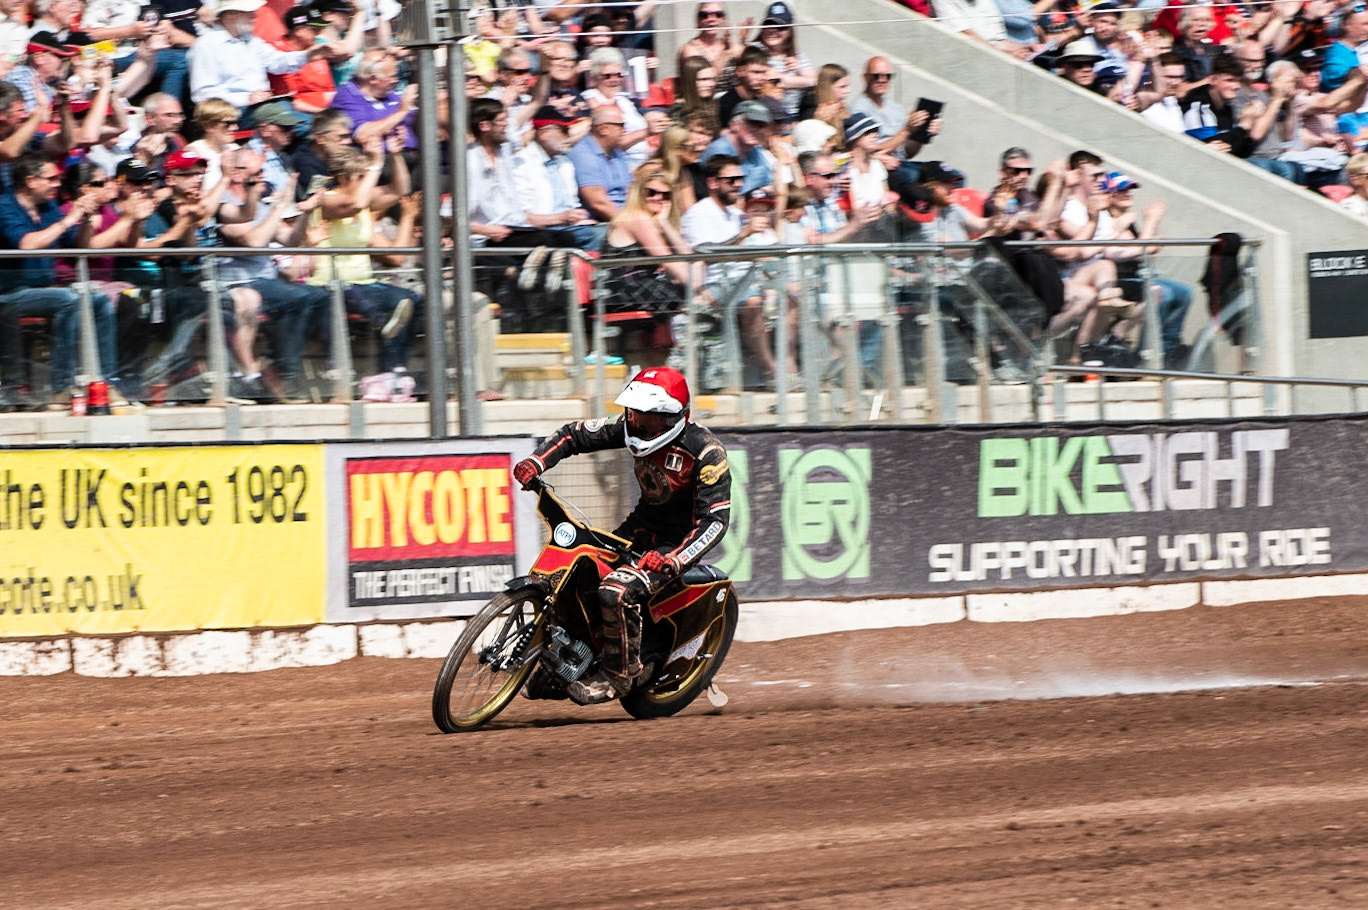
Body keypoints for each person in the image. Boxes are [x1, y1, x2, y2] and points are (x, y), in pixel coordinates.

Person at [511, 366, 731, 705]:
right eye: (634, 413)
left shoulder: (706, 453)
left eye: (649, 419)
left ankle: (618, 677)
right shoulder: (630, 428)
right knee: (572, 572)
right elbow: (575, 435)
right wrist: (537, 462)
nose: (638, 424)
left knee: (616, 591)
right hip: (639, 529)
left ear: (673, 418)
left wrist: (674, 558)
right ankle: (576, 655)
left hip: (675, 546)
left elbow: (715, 522)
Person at [0, 153, 118, 408]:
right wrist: (69, 219)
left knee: (98, 297)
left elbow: (79, 248)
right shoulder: (4, 206)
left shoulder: (48, 207)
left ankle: (105, 382)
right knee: (69, 299)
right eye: (51, 178)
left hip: (42, 290)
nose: (57, 184)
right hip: (9, 293)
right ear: (31, 181)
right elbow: (27, 244)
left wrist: (86, 219)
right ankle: (62, 386)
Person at [188, 0, 333, 107]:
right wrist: (247, 98)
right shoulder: (205, 46)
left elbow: (276, 62)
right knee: (307, 122)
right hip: (233, 111)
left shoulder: (251, 40)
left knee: (316, 120)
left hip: (263, 105)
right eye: (249, 13)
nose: (254, 16)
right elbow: (202, 94)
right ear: (231, 15)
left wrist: (308, 56)